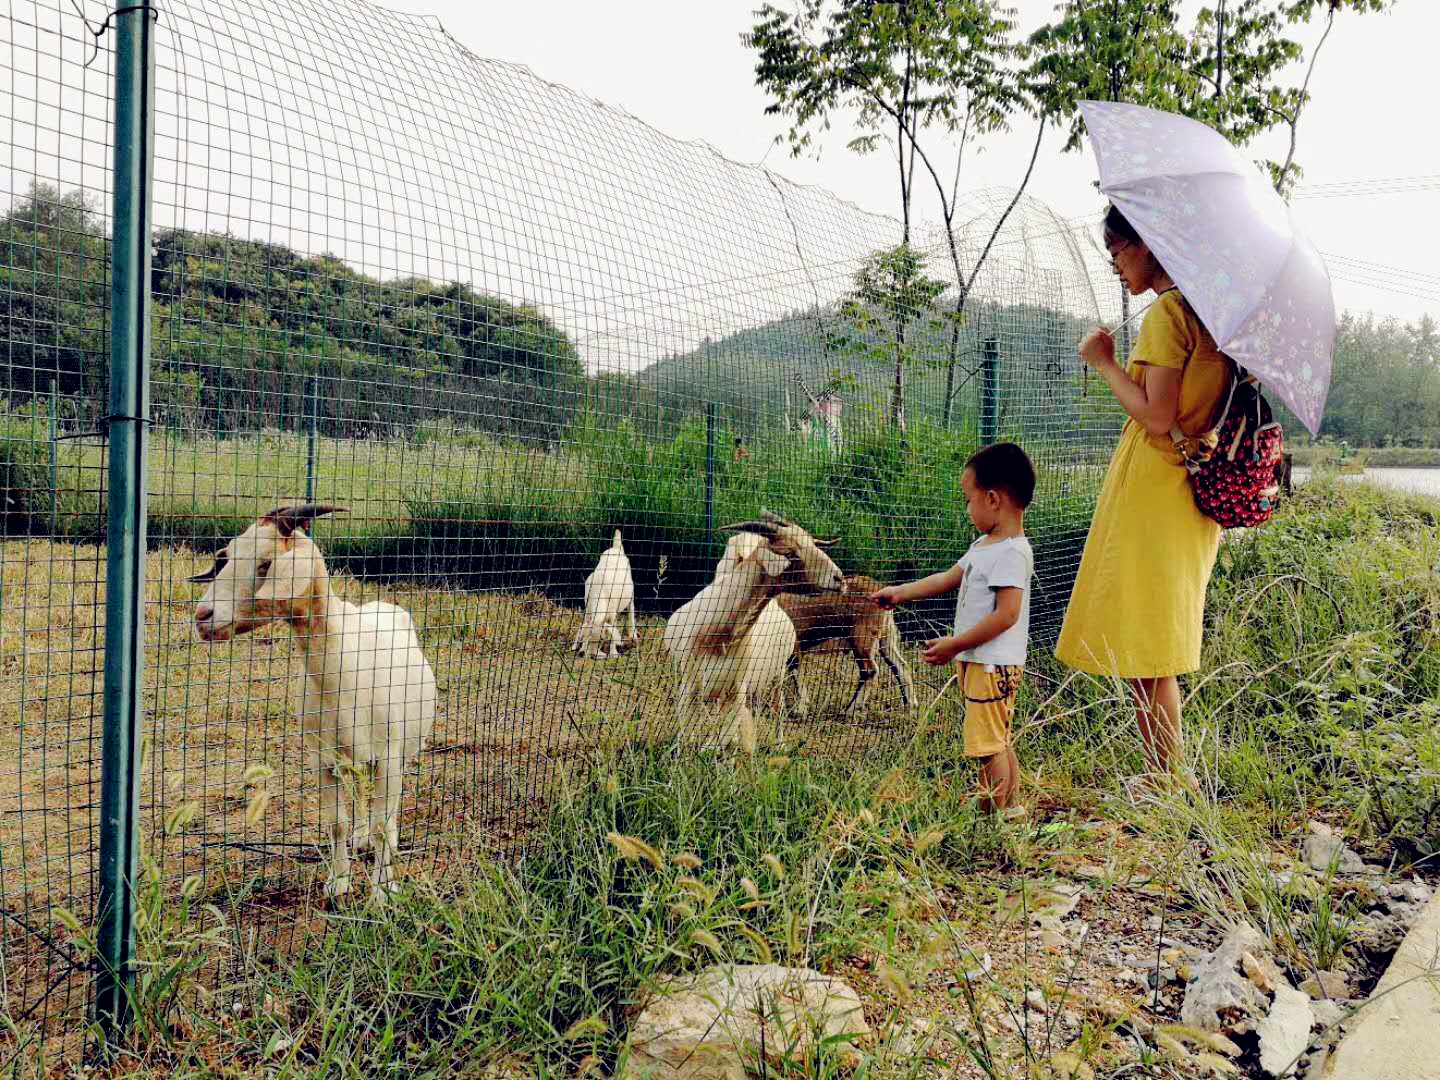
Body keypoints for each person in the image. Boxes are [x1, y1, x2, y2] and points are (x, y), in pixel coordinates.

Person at [1054, 204, 1231, 787]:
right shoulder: (1213, 316)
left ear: (1147, 245)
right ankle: (1164, 774)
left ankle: (1167, 779)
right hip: (1191, 485)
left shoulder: (1168, 314)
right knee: (1155, 637)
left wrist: (1103, 362)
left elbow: (1156, 415)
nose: (1114, 266)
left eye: (1117, 251)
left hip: (1157, 484)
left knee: (1150, 642)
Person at [872, 443, 1035, 811]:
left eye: (969, 499)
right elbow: (948, 578)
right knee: (998, 737)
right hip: (982, 661)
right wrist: (900, 593)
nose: (967, 509)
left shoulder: (1011, 552)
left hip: (991, 663)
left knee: (987, 746)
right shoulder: (985, 544)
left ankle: (992, 815)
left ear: (992, 499)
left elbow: (1007, 614)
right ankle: (1010, 809)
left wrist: (956, 644)